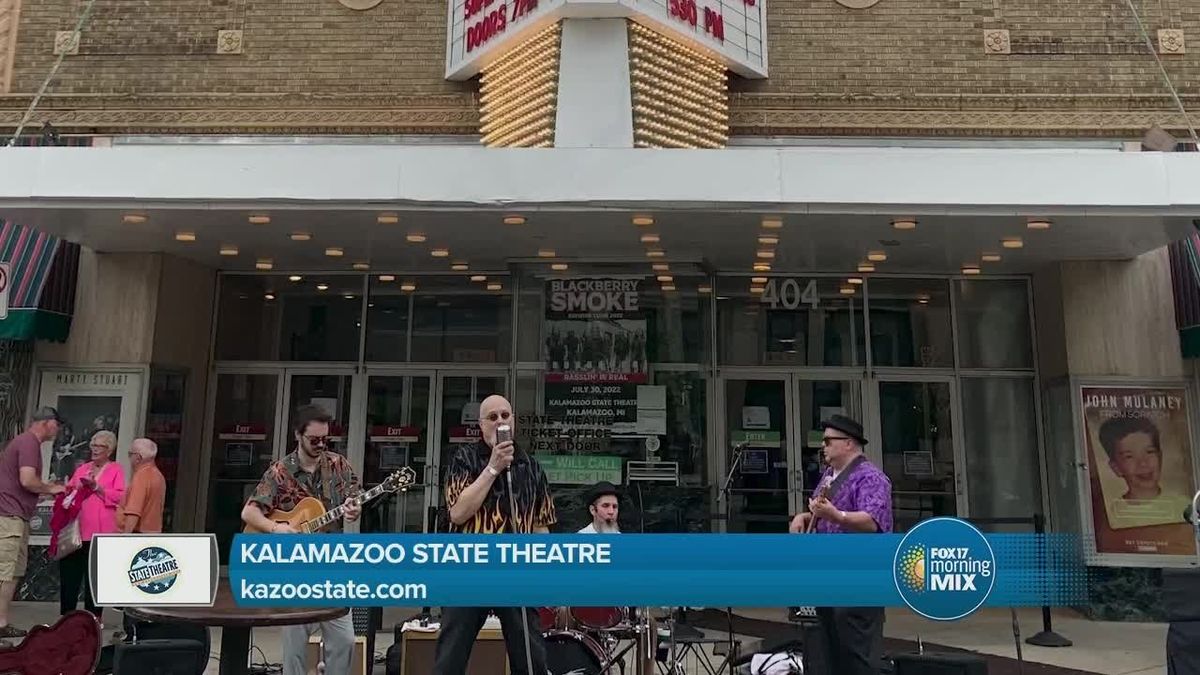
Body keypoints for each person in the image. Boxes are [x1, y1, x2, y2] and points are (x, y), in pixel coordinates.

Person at [433, 394, 555, 675]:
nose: (500, 421)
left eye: (505, 415)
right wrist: (493, 468)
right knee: (451, 655)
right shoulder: (463, 458)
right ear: (481, 425)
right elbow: (458, 513)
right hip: (468, 570)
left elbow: (540, 525)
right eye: (492, 417)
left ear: (513, 421)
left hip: (516, 572)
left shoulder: (530, 466)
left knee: (531, 657)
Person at [242, 405, 361, 675]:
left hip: (331, 565)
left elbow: (353, 502)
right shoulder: (280, 472)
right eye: (314, 439)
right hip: (294, 570)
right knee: (294, 645)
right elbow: (249, 512)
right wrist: (276, 529)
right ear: (298, 435)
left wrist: (355, 509)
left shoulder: (338, 465)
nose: (321, 445)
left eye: (325, 439)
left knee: (344, 640)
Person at [788, 415, 892, 675]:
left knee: (857, 652)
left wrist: (837, 516)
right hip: (828, 574)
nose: (823, 446)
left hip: (859, 576)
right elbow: (820, 510)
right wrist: (804, 517)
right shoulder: (829, 476)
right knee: (828, 650)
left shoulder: (871, 478)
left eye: (828, 441)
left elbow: (873, 521)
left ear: (848, 443)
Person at [0, 407, 64, 638]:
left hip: (17, 517)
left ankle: (1, 623)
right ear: (47, 422)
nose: (58, 430)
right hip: (9, 518)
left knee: (14, 571)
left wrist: (44, 491)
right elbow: (27, 480)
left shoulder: (28, 444)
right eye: (57, 424)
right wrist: (52, 488)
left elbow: (24, 484)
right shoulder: (28, 442)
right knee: (4, 572)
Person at [60, 430, 126, 623]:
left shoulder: (116, 469)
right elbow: (70, 490)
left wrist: (97, 487)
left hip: (101, 533)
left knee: (95, 578)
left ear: (110, 450)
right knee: (70, 573)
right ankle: (67, 617)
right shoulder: (83, 468)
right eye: (93, 445)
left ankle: (94, 619)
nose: (95, 450)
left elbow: (121, 496)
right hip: (77, 532)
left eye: (100, 446)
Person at [1098, 416, 1193, 527]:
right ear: (1116, 468)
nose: (1143, 463)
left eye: (1149, 452)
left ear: (1160, 457)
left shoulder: (1185, 506)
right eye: (1129, 456)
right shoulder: (1110, 517)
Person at [118, 438, 167, 533]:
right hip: (152, 532)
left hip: (137, 533)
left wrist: (124, 538)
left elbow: (133, 512)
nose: (129, 458)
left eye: (130, 454)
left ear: (138, 458)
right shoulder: (159, 476)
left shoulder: (141, 477)